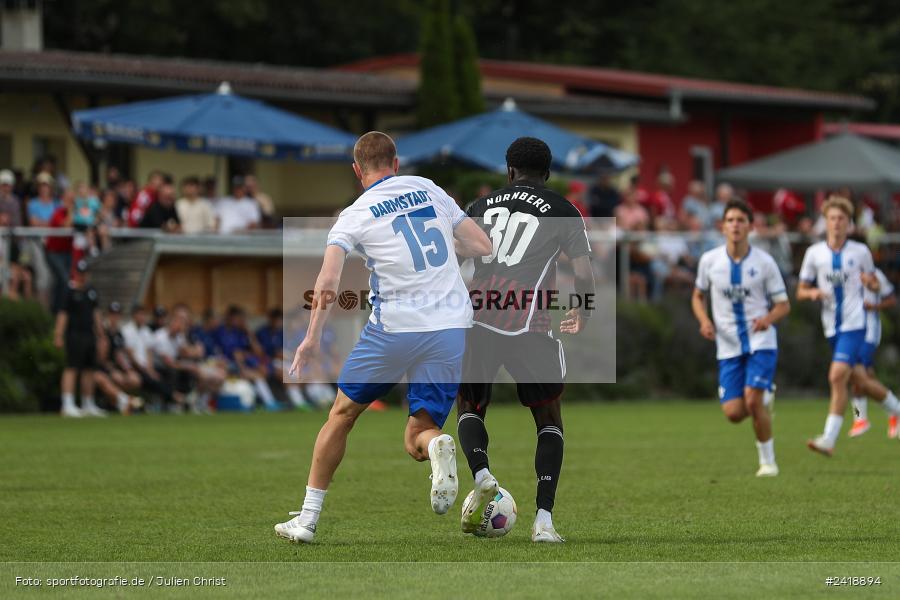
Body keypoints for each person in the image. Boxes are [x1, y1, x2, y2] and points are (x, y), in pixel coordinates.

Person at [274, 131, 492, 544]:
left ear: (358, 171)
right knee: (417, 437)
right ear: (395, 163)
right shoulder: (428, 187)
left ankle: (306, 520)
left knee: (341, 415)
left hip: (393, 329)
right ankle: (438, 444)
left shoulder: (354, 215)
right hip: (449, 327)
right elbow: (482, 244)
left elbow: (328, 279)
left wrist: (312, 336)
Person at [456, 137, 595, 543]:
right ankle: (544, 522)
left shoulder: (479, 207)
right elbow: (584, 275)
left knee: (470, 406)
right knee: (548, 419)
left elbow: (452, 260)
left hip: (478, 317)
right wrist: (582, 311)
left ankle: (482, 475)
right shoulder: (564, 210)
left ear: (509, 170)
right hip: (529, 322)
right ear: (548, 173)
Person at [691, 199, 790, 477]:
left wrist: (767, 319)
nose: (735, 225)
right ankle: (764, 396)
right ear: (723, 226)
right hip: (728, 345)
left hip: (762, 342)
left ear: (750, 226)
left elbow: (784, 304)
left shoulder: (765, 262)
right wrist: (704, 320)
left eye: (741, 220)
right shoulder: (709, 261)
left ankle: (768, 462)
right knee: (734, 413)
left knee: (753, 399)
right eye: (731, 220)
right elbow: (697, 296)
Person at [798, 196, 900, 456]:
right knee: (861, 380)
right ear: (826, 222)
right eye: (832, 218)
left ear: (849, 223)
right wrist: (812, 294)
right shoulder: (814, 253)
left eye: (841, 218)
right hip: (831, 326)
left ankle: (834, 435)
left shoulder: (860, 252)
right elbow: (801, 290)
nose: (836, 223)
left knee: (837, 376)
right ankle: (893, 411)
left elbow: (878, 287)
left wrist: (873, 286)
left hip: (858, 325)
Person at [848, 267, 897, 438]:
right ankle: (893, 411)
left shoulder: (875, 274)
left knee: (854, 373)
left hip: (869, 332)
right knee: (866, 376)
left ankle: (860, 419)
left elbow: (891, 300)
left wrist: (875, 306)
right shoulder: (843, 271)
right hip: (848, 332)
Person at [53, 259, 106, 417]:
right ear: (76, 274)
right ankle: (68, 403)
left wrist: (101, 335)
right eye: (80, 273)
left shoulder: (91, 292)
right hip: (74, 334)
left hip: (89, 334)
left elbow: (96, 314)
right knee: (72, 367)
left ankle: (88, 402)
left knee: (89, 369)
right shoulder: (69, 291)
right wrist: (58, 335)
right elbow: (63, 314)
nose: (82, 277)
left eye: (85, 273)